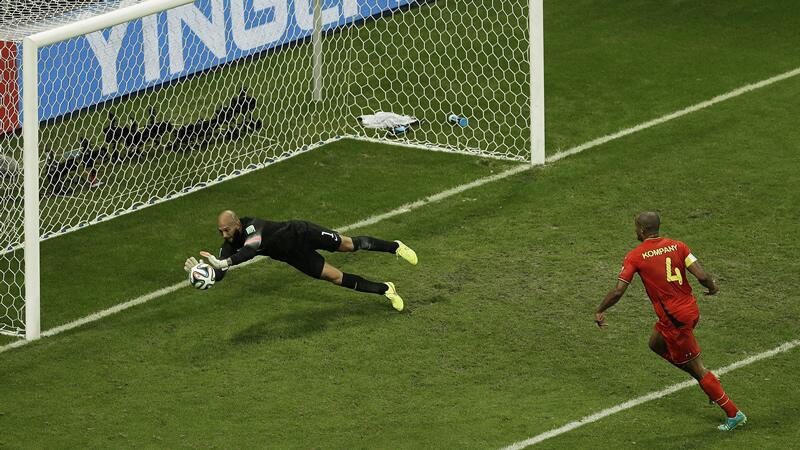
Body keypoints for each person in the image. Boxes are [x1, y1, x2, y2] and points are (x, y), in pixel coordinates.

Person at [594, 212, 746, 431]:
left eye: (636, 227)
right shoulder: (678, 246)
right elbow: (702, 276)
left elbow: (619, 291)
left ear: (643, 230)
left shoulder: (635, 256)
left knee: (698, 368)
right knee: (655, 343)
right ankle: (707, 381)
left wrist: (600, 309)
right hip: (689, 310)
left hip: (674, 318)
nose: (635, 231)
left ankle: (733, 413)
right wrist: (712, 287)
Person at [184, 210, 417, 311]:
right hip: (294, 256)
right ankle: (386, 289)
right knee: (335, 277)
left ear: (236, 225)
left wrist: (224, 263)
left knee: (349, 245)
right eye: (220, 232)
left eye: (226, 230)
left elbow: (250, 250)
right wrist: (206, 273)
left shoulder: (254, 226)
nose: (224, 235)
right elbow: (222, 269)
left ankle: (394, 247)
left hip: (302, 232)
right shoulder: (228, 245)